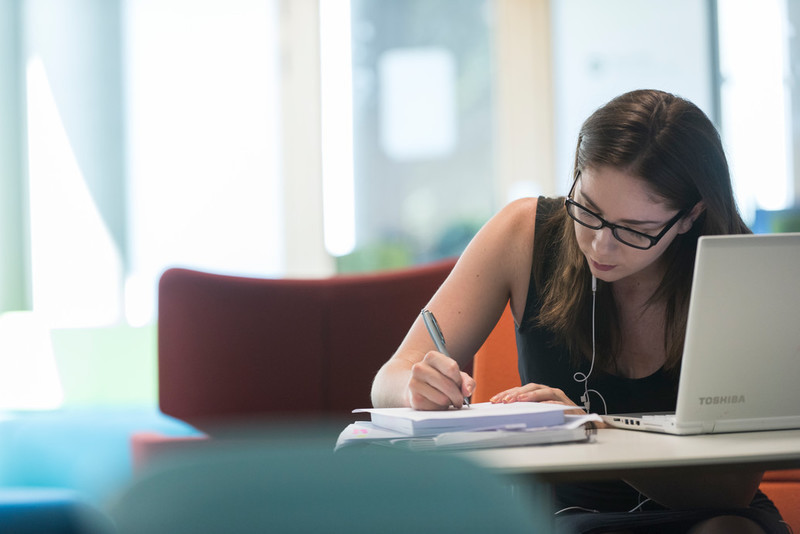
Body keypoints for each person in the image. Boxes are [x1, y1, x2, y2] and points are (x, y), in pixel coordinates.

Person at [370, 89, 787, 534]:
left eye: (635, 229)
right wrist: (418, 389)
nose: (600, 245)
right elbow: (388, 380)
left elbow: (731, 489)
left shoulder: (739, 271)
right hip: (567, 520)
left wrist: (594, 429)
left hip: (714, 517)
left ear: (690, 216)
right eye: (587, 210)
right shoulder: (523, 234)